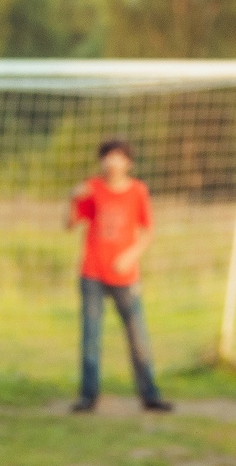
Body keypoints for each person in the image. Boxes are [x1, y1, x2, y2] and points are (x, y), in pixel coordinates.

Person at [67, 138, 171, 413]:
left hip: (125, 276)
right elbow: (71, 223)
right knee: (91, 336)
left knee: (138, 336)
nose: (112, 163)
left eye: (118, 157)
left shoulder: (138, 191)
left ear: (128, 162)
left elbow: (148, 232)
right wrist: (72, 199)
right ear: (101, 161)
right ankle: (88, 397)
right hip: (92, 273)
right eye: (107, 157)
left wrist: (129, 256)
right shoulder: (93, 188)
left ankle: (150, 395)